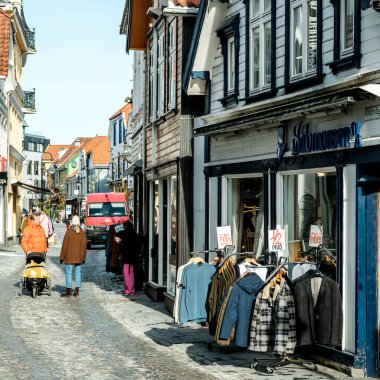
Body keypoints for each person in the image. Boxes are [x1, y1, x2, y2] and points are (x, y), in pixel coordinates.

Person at [59, 215, 87, 297]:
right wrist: (83, 258)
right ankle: (77, 291)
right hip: (79, 257)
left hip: (69, 256)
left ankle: (68, 291)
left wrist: (62, 257)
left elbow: (65, 246)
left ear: (72, 222)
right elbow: (84, 247)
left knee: (68, 273)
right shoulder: (82, 233)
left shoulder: (68, 232)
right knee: (78, 272)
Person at [114, 220, 141, 295]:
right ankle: (129, 289)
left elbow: (124, 246)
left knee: (127, 273)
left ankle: (129, 289)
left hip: (127, 257)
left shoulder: (126, 235)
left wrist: (118, 242)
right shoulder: (133, 234)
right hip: (132, 257)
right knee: (130, 273)